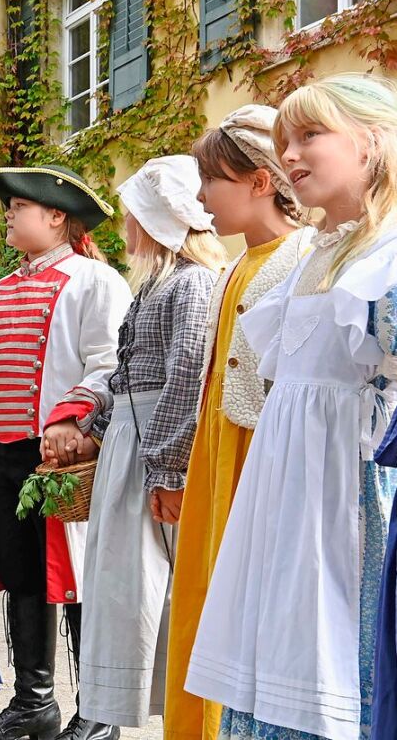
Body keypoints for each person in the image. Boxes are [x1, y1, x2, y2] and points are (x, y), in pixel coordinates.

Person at [187, 73, 397, 740]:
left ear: (370, 142)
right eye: (284, 141)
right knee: (275, 638)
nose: (290, 154)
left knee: (334, 647)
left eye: (310, 135)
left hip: (346, 491)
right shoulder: (310, 253)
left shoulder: (386, 254)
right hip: (286, 490)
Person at [0, 165, 131, 740]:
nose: (7, 214)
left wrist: (74, 419)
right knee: (22, 576)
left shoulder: (94, 283)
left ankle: (99, 710)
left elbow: (109, 363)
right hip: (8, 454)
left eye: (18, 206)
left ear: (56, 217)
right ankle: (34, 701)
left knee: (77, 577)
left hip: (66, 456)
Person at [163, 105, 309, 740]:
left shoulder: (301, 258)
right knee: (206, 596)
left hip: (259, 448)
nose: (201, 198)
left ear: (259, 182)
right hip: (219, 444)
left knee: (245, 597)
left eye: (211, 182)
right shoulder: (233, 268)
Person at [66, 155, 224, 734]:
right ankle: (121, 707)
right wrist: (94, 426)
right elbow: (128, 374)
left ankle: (186, 711)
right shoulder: (155, 284)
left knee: (158, 587)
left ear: (156, 219)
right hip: (135, 443)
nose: (125, 226)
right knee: (122, 587)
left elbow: (188, 372)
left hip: (158, 448)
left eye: (133, 214)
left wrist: (167, 466)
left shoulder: (194, 283)